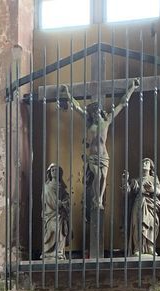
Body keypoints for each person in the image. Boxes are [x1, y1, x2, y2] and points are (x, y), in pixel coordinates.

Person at [61, 78, 139, 228]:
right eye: (93, 112)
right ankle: (97, 201)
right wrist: (68, 94)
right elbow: (77, 108)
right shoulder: (89, 123)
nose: (96, 114)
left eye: (97, 111)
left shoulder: (107, 120)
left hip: (104, 156)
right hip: (93, 157)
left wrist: (132, 89)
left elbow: (122, 104)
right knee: (97, 175)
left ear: (100, 112)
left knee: (103, 177)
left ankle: (100, 199)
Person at [122, 157, 160, 256]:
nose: (145, 163)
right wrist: (125, 182)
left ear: (151, 166)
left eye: (147, 162)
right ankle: (138, 248)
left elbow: (158, 191)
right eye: (143, 162)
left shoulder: (153, 179)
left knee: (151, 224)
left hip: (150, 204)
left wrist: (152, 189)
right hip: (138, 203)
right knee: (137, 225)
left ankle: (150, 247)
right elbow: (127, 193)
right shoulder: (136, 180)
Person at [41, 163, 71, 260]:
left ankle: (59, 251)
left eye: (56, 170)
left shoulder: (62, 186)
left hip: (60, 214)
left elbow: (67, 198)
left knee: (61, 232)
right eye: (52, 170)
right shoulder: (47, 186)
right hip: (50, 213)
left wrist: (63, 204)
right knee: (52, 230)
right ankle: (48, 252)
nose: (54, 172)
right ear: (49, 173)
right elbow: (46, 199)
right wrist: (56, 204)